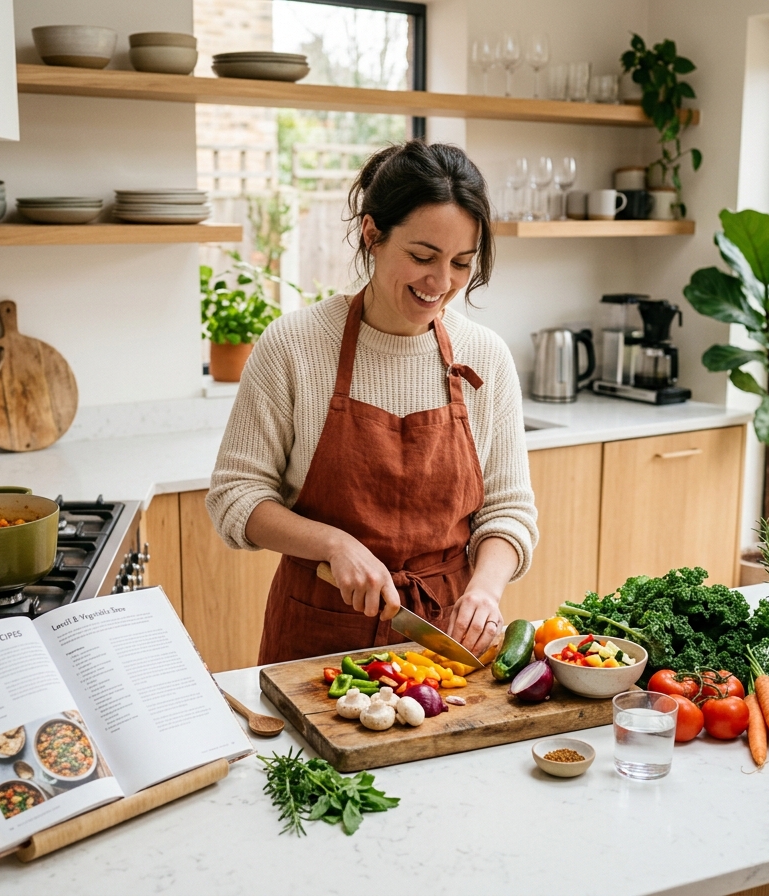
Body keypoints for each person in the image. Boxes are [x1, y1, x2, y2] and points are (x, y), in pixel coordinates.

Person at [207, 140, 538, 664]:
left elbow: (508, 511)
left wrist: (485, 590)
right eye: (422, 256)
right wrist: (334, 545)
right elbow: (235, 496)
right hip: (315, 631)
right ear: (372, 234)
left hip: (444, 637)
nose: (441, 282)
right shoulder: (293, 346)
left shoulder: (486, 357)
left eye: (460, 262)